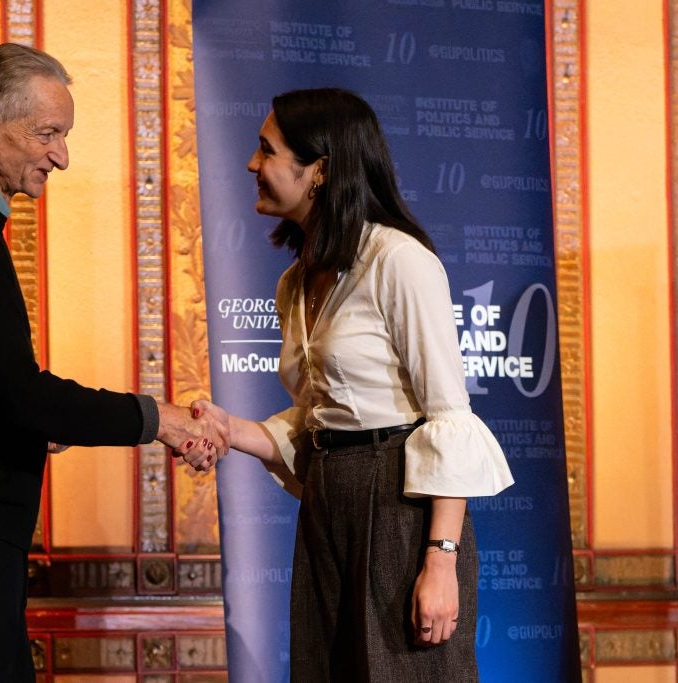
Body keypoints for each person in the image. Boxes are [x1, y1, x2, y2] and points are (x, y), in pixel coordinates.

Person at [0, 42, 226, 682]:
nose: (61, 155)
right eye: (47, 134)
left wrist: (32, 421)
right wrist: (160, 419)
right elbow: (18, 394)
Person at [193, 87, 514, 681]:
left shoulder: (398, 260)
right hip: (327, 497)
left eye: (266, 150)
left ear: (319, 170)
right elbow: (320, 418)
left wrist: (439, 562)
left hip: (399, 505)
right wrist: (227, 429)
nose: (251, 164)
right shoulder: (294, 282)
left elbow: (448, 413)